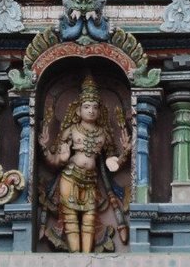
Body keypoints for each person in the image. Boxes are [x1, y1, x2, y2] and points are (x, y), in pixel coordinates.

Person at [39, 74, 129, 253]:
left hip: (91, 180)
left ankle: (87, 258)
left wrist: (125, 152)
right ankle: (75, 258)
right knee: (70, 218)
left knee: (89, 219)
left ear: (100, 110)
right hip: (70, 176)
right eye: (86, 106)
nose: (91, 110)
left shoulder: (104, 134)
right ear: (78, 110)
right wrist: (45, 149)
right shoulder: (70, 131)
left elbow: (112, 165)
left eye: (95, 107)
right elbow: (55, 162)